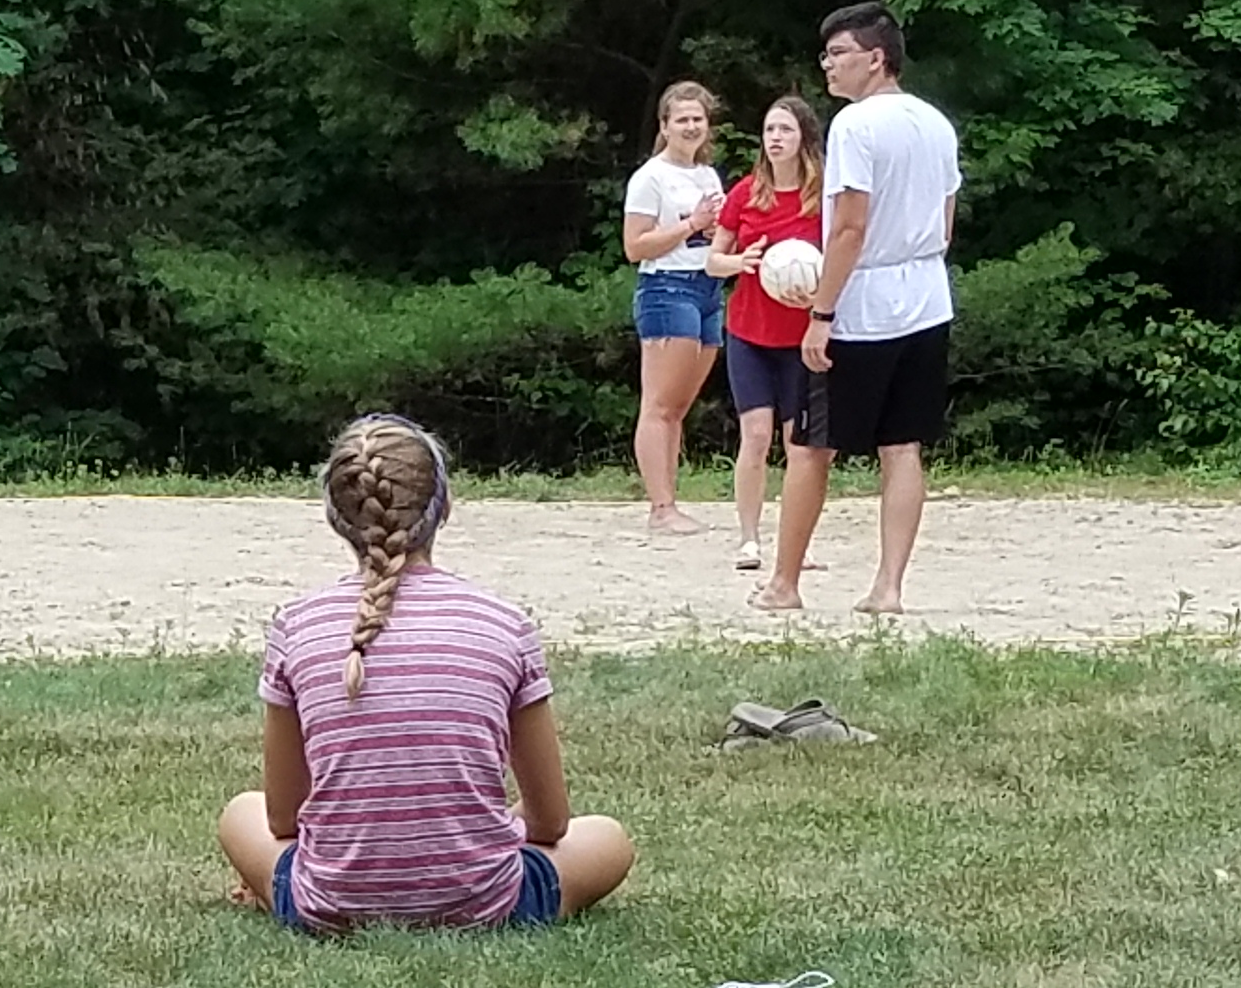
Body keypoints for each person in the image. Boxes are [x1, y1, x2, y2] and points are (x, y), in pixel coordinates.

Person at [216, 412, 633, 933]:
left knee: (242, 812)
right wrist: (481, 828)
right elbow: (550, 822)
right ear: (445, 505)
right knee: (608, 838)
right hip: (488, 901)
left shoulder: (298, 625)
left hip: (330, 903)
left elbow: (283, 819)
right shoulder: (504, 623)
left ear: (334, 516)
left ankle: (287, 891)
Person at [759, 2, 963, 618]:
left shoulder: (854, 125)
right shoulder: (936, 124)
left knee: (810, 445)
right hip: (926, 297)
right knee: (902, 446)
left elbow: (849, 227)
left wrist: (821, 313)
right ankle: (888, 587)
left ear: (876, 58)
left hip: (864, 306)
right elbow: (945, 225)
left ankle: (784, 584)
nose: (828, 64)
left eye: (838, 53)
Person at [705, 94, 827, 575]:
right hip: (750, 332)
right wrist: (741, 261)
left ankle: (798, 542)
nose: (775, 138)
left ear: (804, 138)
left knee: (801, 443)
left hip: (802, 338)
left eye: (785, 130)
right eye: (770, 129)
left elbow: (845, 255)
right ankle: (749, 539)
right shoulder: (746, 193)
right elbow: (713, 261)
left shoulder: (824, 198)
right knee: (755, 435)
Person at [620, 80, 726, 534]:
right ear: (664, 126)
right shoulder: (650, 178)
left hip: (708, 287)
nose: (691, 126)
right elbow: (635, 246)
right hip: (667, 287)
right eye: (681, 119)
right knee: (659, 404)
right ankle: (660, 507)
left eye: (697, 118)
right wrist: (691, 224)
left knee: (680, 406)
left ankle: (670, 500)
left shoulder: (707, 176)